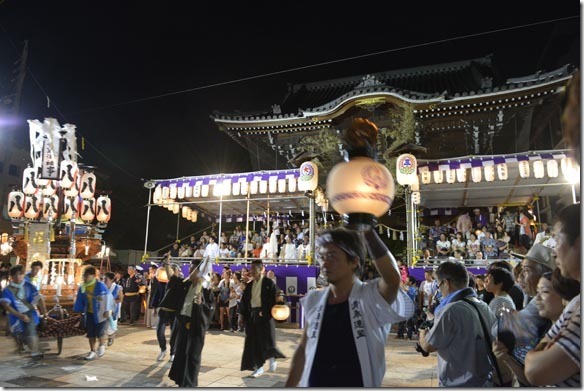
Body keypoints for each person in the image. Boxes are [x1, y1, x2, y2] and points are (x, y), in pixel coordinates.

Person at [285, 227, 415, 387]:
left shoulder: (370, 297)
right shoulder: (314, 299)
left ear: (354, 261)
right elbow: (304, 348)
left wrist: (368, 232)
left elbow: (392, 280)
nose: (324, 263)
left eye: (332, 256)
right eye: (322, 256)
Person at [524, 203, 581, 387]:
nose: (554, 251)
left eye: (557, 239)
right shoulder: (576, 304)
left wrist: (540, 351)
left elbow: (535, 371)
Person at [418, 261, 497, 386]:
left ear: (446, 283)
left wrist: (422, 333)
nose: (439, 290)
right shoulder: (483, 306)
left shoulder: (451, 311)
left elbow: (428, 346)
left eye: (438, 286)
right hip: (484, 381)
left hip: (458, 383)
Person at [168, 259, 215, 387]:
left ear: (200, 272)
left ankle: (190, 383)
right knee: (181, 352)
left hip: (196, 326)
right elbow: (172, 281)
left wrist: (202, 304)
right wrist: (167, 264)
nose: (189, 271)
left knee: (193, 356)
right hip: (183, 323)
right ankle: (181, 381)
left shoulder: (205, 290)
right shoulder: (186, 285)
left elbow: (211, 308)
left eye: (192, 268)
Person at [240, 259, 285, 377]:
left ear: (262, 269)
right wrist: (242, 315)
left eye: (254, 269)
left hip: (265, 316)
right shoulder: (249, 285)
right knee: (254, 343)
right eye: (251, 269)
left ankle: (272, 357)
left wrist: (279, 300)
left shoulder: (269, 283)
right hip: (252, 316)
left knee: (267, 341)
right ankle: (258, 368)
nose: (252, 272)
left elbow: (278, 296)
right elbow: (244, 302)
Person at [0, 264, 46, 363]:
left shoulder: (29, 286)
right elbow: (6, 306)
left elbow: (39, 299)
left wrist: (44, 313)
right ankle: (23, 347)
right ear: (11, 277)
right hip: (15, 315)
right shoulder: (7, 290)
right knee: (18, 334)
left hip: (29, 312)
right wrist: (20, 315)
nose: (18, 277)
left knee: (31, 331)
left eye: (20, 274)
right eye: (15, 275)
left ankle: (35, 353)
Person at [73, 266, 114, 360]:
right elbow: (80, 301)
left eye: (87, 276)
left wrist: (107, 310)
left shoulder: (100, 285)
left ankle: (102, 345)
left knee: (100, 332)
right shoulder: (82, 287)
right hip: (89, 313)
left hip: (101, 313)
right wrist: (80, 314)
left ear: (93, 276)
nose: (85, 278)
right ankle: (92, 351)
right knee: (90, 333)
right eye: (84, 276)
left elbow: (107, 298)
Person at [156, 261, 184, 362]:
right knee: (159, 331)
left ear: (177, 271)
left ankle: (173, 352)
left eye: (173, 269)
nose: (171, 270)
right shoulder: (171, 280)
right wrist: (167, 263)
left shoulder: (181, 281)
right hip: (164, 310)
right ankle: (163, 349)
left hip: (175, 312)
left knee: (174, 334)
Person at [103, 271, 123, 346]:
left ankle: (111, 337)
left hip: (114, 309)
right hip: (104, 308)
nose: (104, 280)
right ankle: (102, 341)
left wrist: (111, 301)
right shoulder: (103, 287)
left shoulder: (118, 288)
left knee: (111, 325)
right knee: (103, 325)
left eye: (106, 279)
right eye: (104, 279)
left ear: (111, 279)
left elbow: (120, 299)